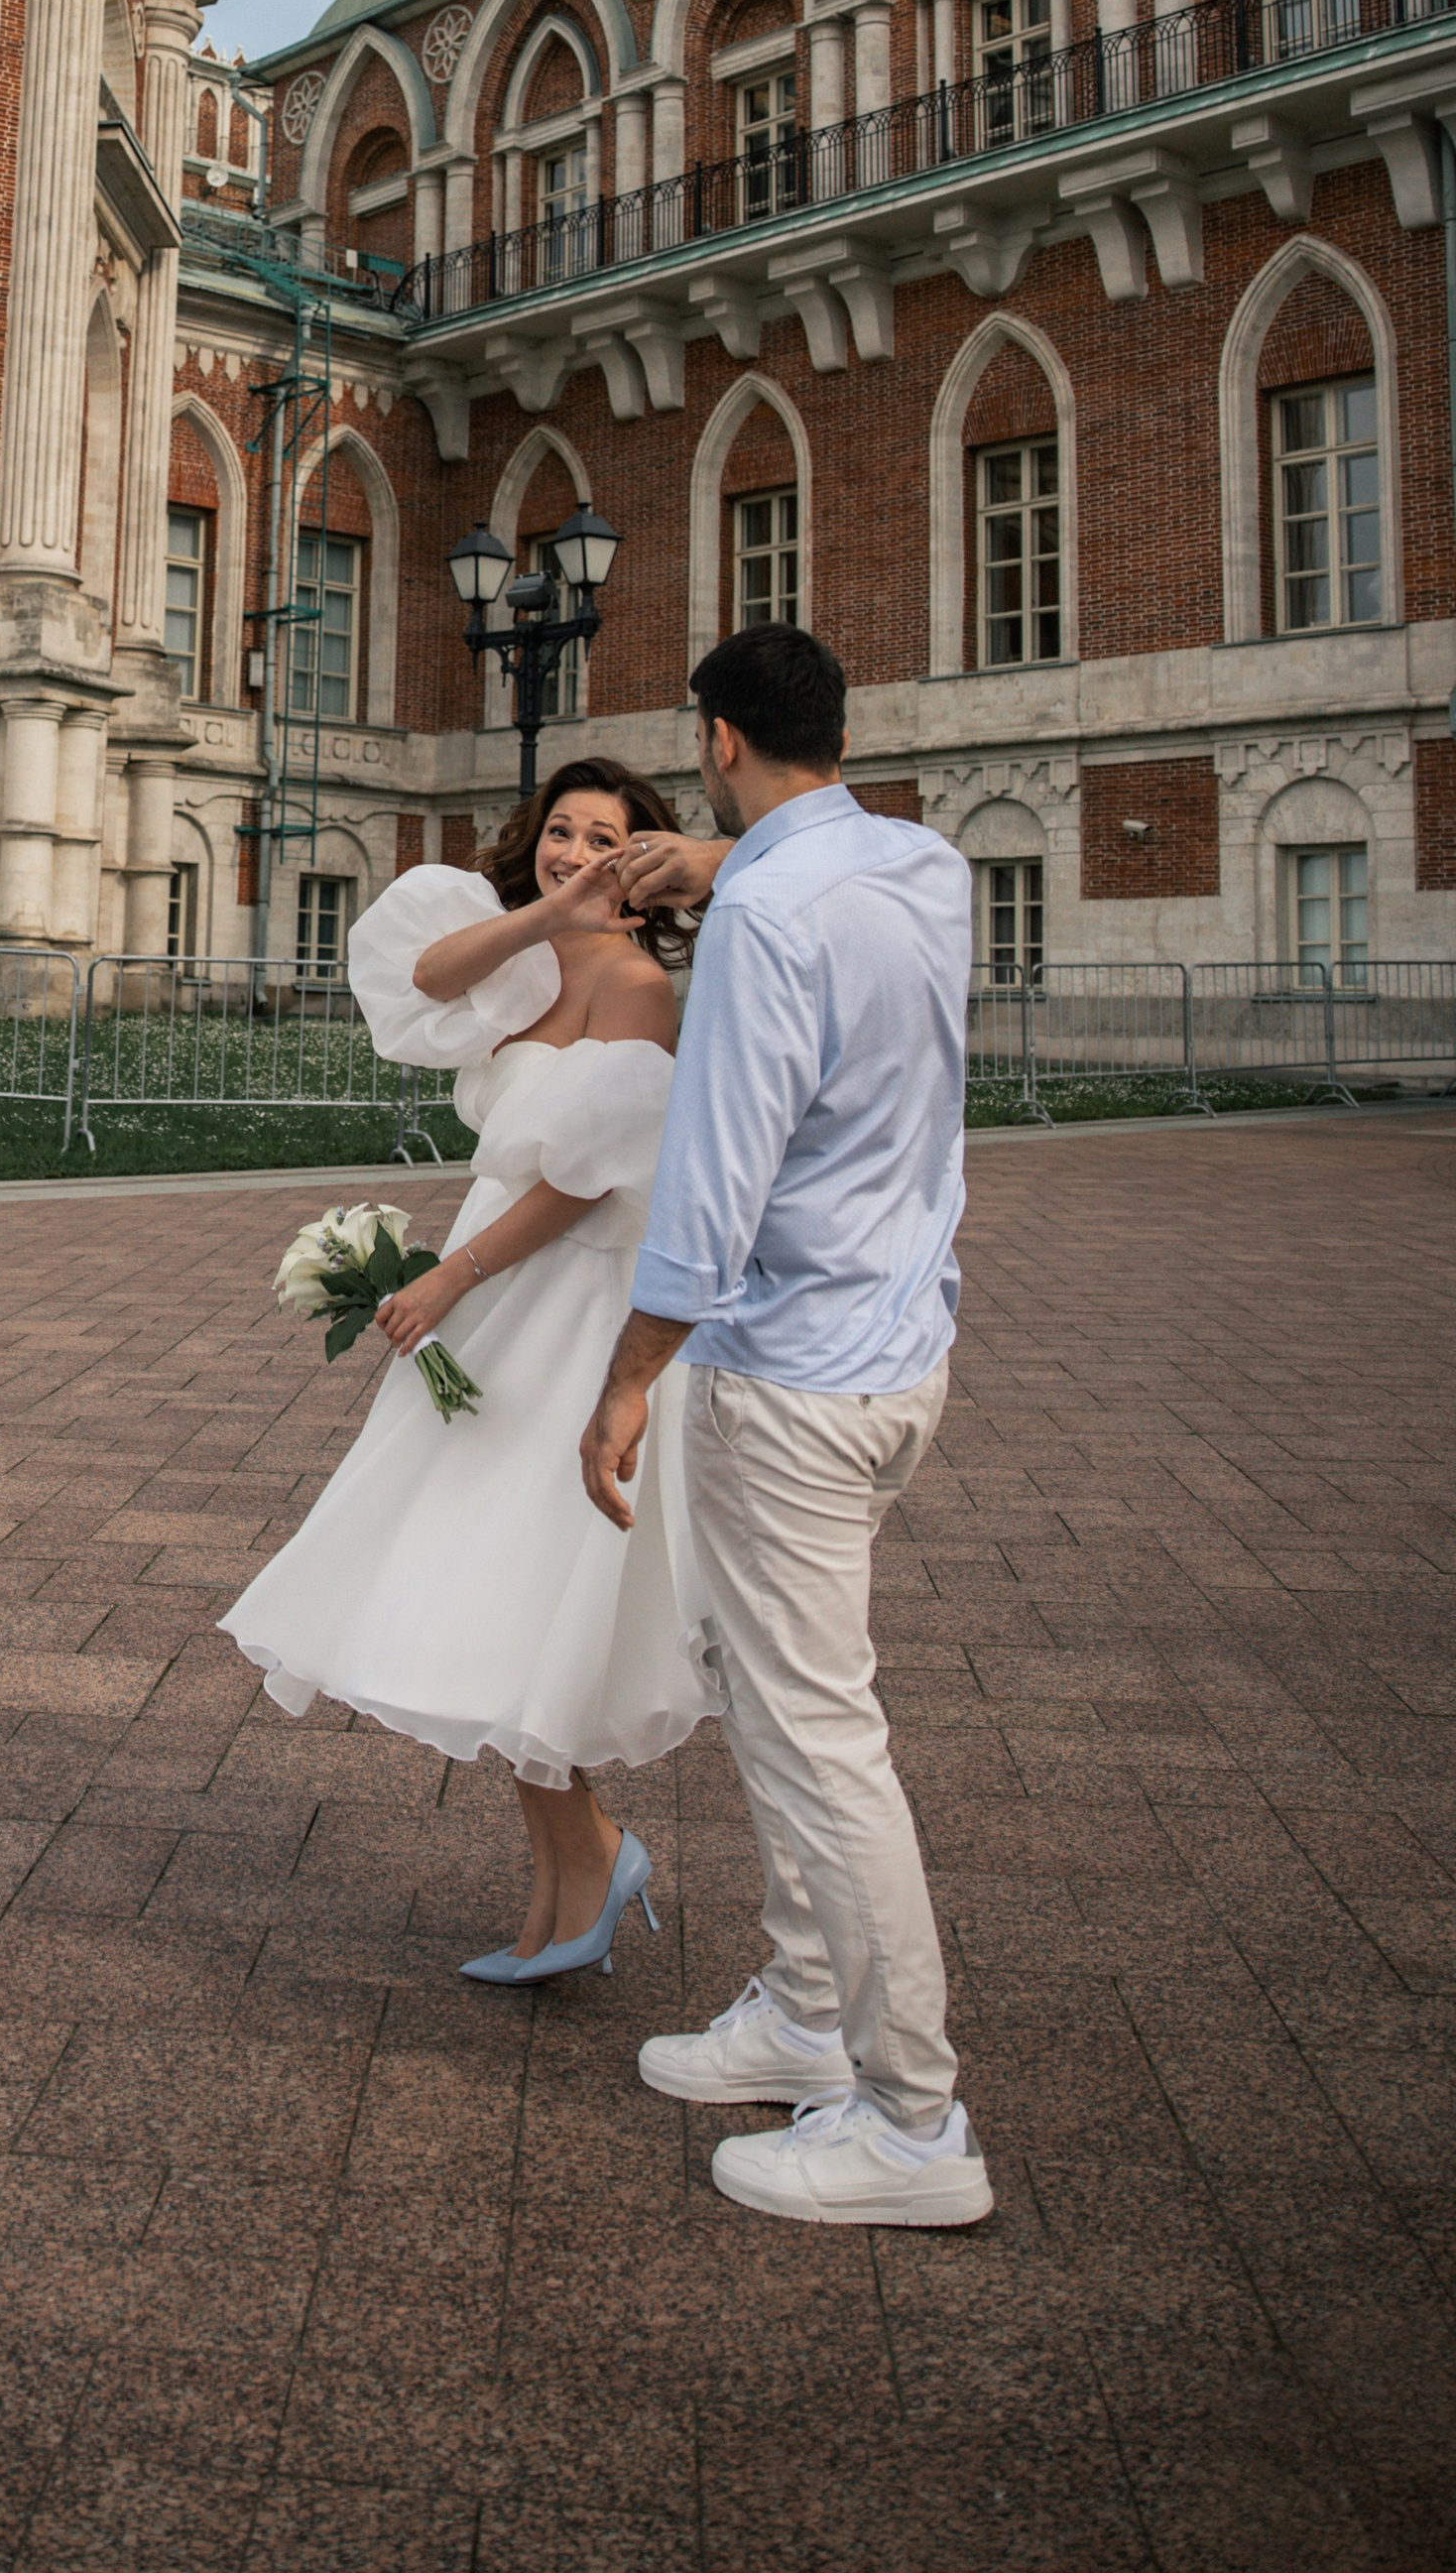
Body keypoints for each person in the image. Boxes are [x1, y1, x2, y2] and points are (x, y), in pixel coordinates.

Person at [579, 623, 991, 2227]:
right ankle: (808, 2007)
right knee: (776, 1698)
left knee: (822, 1742)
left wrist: (627, 1381)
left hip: (792, 1376)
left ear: (716, 738)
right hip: (899, 1352)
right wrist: (719, 859)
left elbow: (718, 1179)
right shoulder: (922, 866)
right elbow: (805, 875)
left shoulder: (761, 910)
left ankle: (911, 2123)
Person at [220, 761, 720, 1986]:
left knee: (522, 1586)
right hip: (502, 1291)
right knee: (498, 1592)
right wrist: (553, 910)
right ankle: (576, 1874)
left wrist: (451, 1278)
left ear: (651, 867)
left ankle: (590, 1863)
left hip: (568, 1302)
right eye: (560, 832)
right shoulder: (526, 959)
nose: (577, 849)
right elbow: (424, 976)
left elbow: (585, 1177)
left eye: (608, 837)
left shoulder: (642, 989)